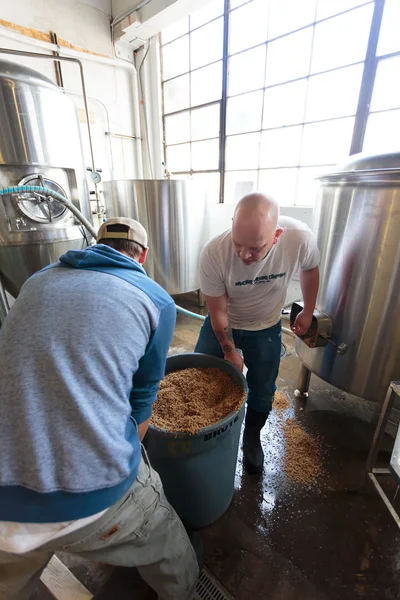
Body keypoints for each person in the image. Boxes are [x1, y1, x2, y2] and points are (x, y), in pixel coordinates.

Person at [0, 217, 199, 600]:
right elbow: (142, 401)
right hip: (87, 496)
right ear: (142, 256)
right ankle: (183, 588)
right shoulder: (155, 298)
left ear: (96, 245)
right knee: (157, 520)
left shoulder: (36, 280)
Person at [195, 193, 320, 474]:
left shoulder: (299, 239)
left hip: (266, 324)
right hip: (225, 320)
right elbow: (218, 313)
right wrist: (229, 349)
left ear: (277, 235)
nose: (244, 254)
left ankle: (251, 438)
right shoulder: (214, 252)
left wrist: (308, 310)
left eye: (255, 248)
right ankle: (201, 431)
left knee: (263, 388)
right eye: (238, 244)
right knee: (201, 375)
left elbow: (310, 269)